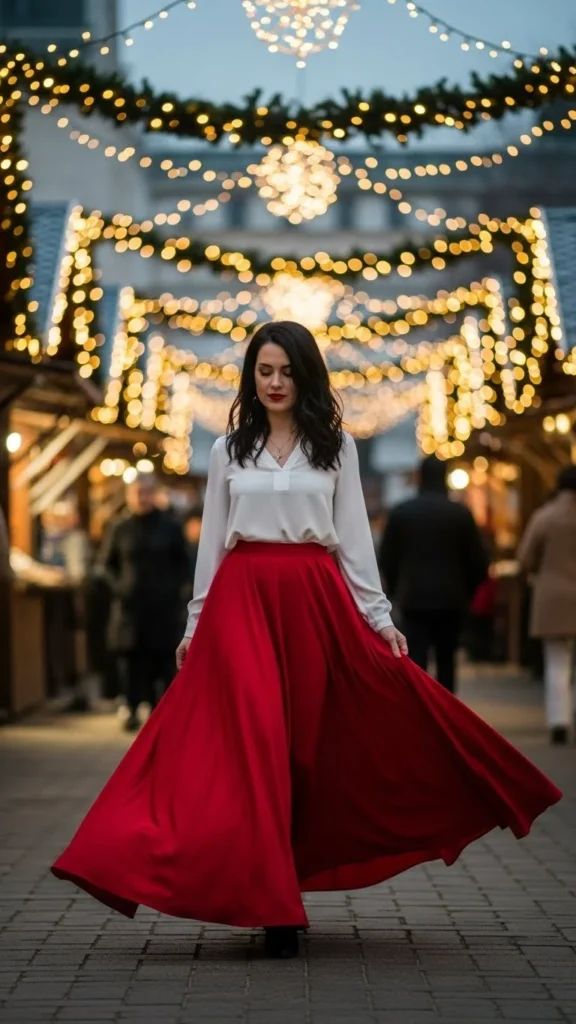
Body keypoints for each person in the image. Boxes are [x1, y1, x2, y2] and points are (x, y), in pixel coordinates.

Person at [52, 321, 561, 961]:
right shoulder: (228, 452)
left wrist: (379, 619)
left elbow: (353, 544)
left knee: (303, 749)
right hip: (242, 603)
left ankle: (284, 882)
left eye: (286, 372)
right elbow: (211, 547)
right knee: (255, 744)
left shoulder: (337, 448)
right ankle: (271, 907)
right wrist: (194, 624)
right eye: (264, 371)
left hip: (316, 602)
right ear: (250, 376)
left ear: (305, 375)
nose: (274, 383)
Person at [379, 456, 489, 693]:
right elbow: (478, 561)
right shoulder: (460, 515)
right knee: (447, 660)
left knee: (416, 658)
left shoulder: (401, 513)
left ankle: (422, 713)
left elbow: (387, 559)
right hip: (452, 599)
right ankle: (448, 712)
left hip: (413, 598)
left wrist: (397, 589)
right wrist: (466, 592)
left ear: (420, 477)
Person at [100, 474, 188, 732]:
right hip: (129, 609)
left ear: (154, 494)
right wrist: (119, 589)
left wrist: (178, 592)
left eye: (147, 492)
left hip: (163, 608)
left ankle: (160, 709)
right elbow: (106, 566)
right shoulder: (119, 528)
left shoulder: (170, 526)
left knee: (162, 660)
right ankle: (130, 706)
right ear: (129, 495)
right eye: (137, 492)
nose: (142, 498)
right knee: (131, 660)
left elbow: (184, 564)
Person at [518, 465, 576, 745]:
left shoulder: (545, 516)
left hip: (553, 596)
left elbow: (525, 558)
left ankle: (559, 721)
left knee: (557, 661)